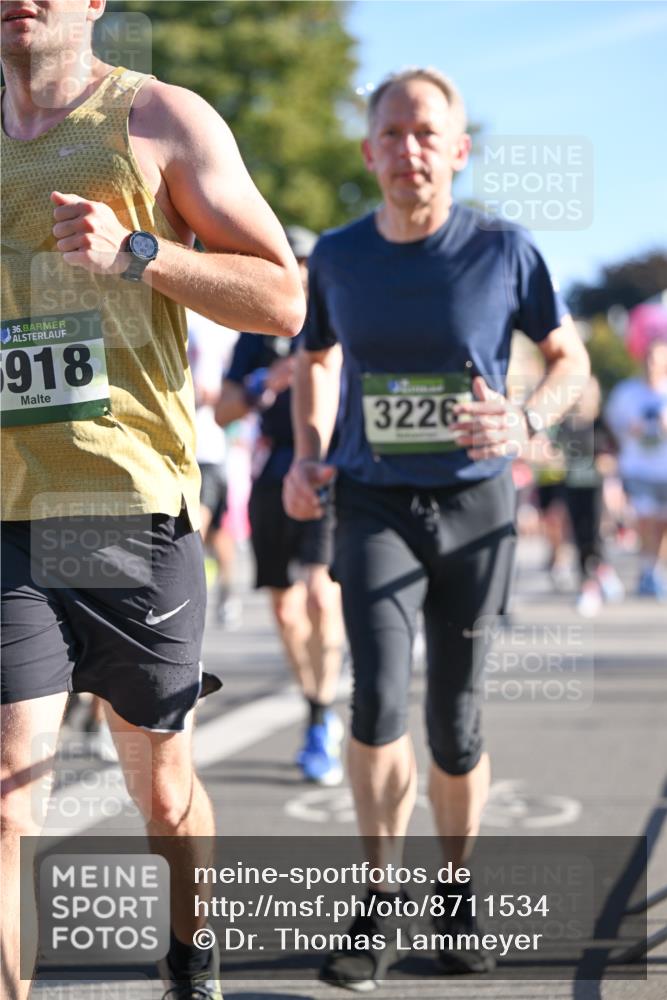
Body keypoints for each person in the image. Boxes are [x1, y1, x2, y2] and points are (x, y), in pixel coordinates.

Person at [0, 4, 305, 1000]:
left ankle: (190, 953)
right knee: (7, 800)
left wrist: (140, 252)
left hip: (132, 501)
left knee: (161, 788)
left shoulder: (158, 119)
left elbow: (282, 299)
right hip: (10, 509)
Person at [283, 67, 590, 990]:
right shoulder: (336, 255)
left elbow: (567, 358)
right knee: (375, 696)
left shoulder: (503, 250)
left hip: (474, 505)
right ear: (369, 148)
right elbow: (314, 355)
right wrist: (306, 452)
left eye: (427, 134)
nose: (409, 149)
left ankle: (453, 892)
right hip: (373, 500)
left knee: (454, 719)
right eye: (392, 133)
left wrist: (528, 421)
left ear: (457, 151)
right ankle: (377, 900)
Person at [216, 226, 345, 785]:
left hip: (331, 468)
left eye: (309, 264)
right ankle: (315, 702)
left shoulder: (345, 318)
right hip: (273, 472)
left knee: (321, 595)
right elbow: (222, 409)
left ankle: (320, 717)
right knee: (286, 609)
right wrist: (265, 381)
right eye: (291, 263)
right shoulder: (258, 327)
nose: (302, 273)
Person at [187, 308, 242, 627]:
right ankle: (223, 593)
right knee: (210, 532)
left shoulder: (220, 323)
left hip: (209, 447)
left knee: (203, 532)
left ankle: (218, 596)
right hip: (185, 446)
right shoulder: (180, 313)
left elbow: (225, 384)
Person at [605, 338, 667, 599]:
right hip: (637, 468)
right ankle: (648, 573)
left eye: (658, 357)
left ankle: (654, 569)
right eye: (649, 356)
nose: (652, 363)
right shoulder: (626, 392)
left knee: (662, 522)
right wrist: (628, 431)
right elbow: (609, 426)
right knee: (646, 519)